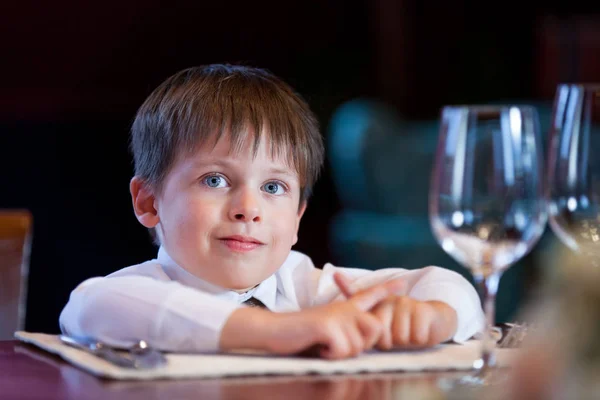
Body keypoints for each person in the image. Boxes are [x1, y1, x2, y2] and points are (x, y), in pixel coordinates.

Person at [59, 64, 484, 359]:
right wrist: (289, 331)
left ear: (298, 217)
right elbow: (89, 305)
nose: (248, 208)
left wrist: (432, 317)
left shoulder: (308, 290)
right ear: (149, 202)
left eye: (273, 187)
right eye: (215, 180)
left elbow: (447, 285)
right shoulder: (136, 293)